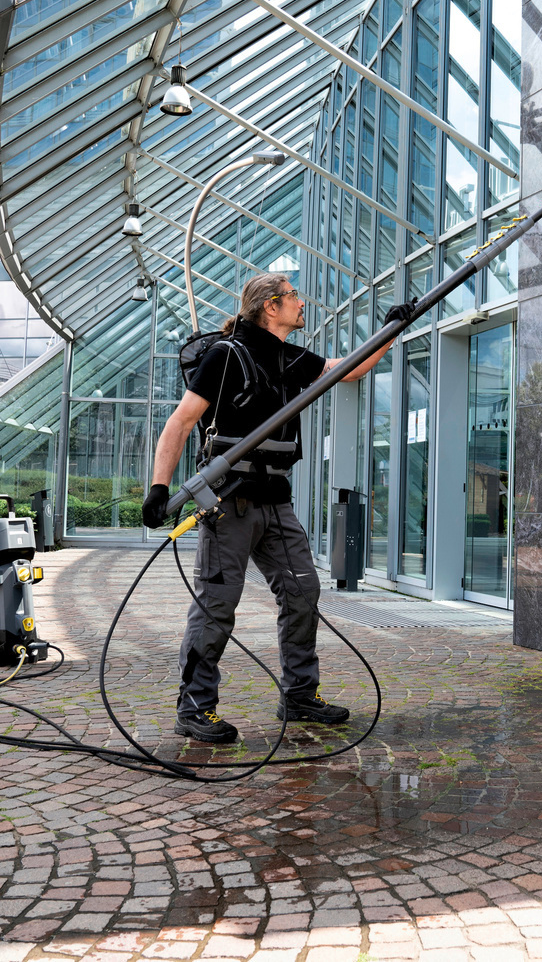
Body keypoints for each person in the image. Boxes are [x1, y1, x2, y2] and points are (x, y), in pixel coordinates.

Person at [141, 272, 411, 744]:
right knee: (217, 606)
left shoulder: (289, 357)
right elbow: (182, 421)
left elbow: (347, 369)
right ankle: (195, 707)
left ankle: (299, 695)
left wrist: (391, 332)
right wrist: (158, 488)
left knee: (304, 592)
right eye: (293, 296)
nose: (301, 303)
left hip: (277, 503)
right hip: (229, 503)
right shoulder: (226, 356)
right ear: (270, 306)